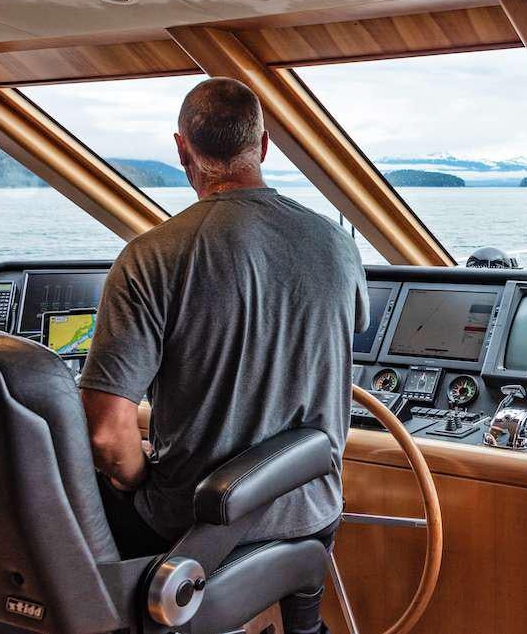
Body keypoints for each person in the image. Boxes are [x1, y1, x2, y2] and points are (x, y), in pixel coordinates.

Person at [79, 77, 367, 634]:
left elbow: (106, 436)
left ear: (182, 149)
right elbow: (343, 335)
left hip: (189, 529)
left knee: (72, 485)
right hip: (312, 512)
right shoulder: (338, 244)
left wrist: (138, 477)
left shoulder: (148, 257)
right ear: (262, 147)